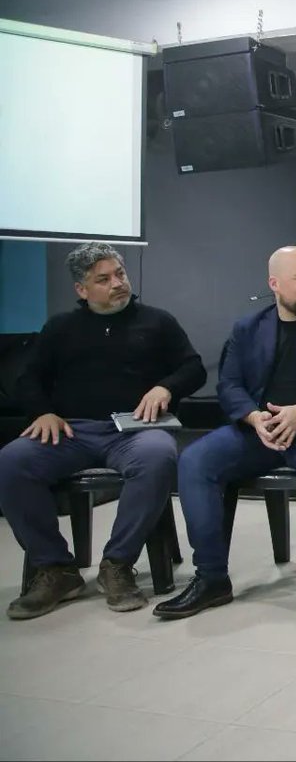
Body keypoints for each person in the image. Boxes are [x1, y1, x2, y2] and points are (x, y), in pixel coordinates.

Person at [154, 246, 296, 624]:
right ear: (275, 284)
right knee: (195, 460)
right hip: (261, 432)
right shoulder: (248, 328)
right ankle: (211, 578)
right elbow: (229, 385)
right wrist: (254, 418)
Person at [0, 242, 205, 619]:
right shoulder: (61, 328)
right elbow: (29, 378)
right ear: (82, 289)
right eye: (104, 279)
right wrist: (42, 412)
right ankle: (56, 568)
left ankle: (117, 564)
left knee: (158, 456)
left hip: (135, 430)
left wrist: (166, 387)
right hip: (72, 431)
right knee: (12, 461)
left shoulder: (157, 321)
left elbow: (193, 368)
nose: (117, 283)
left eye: (120, 274)